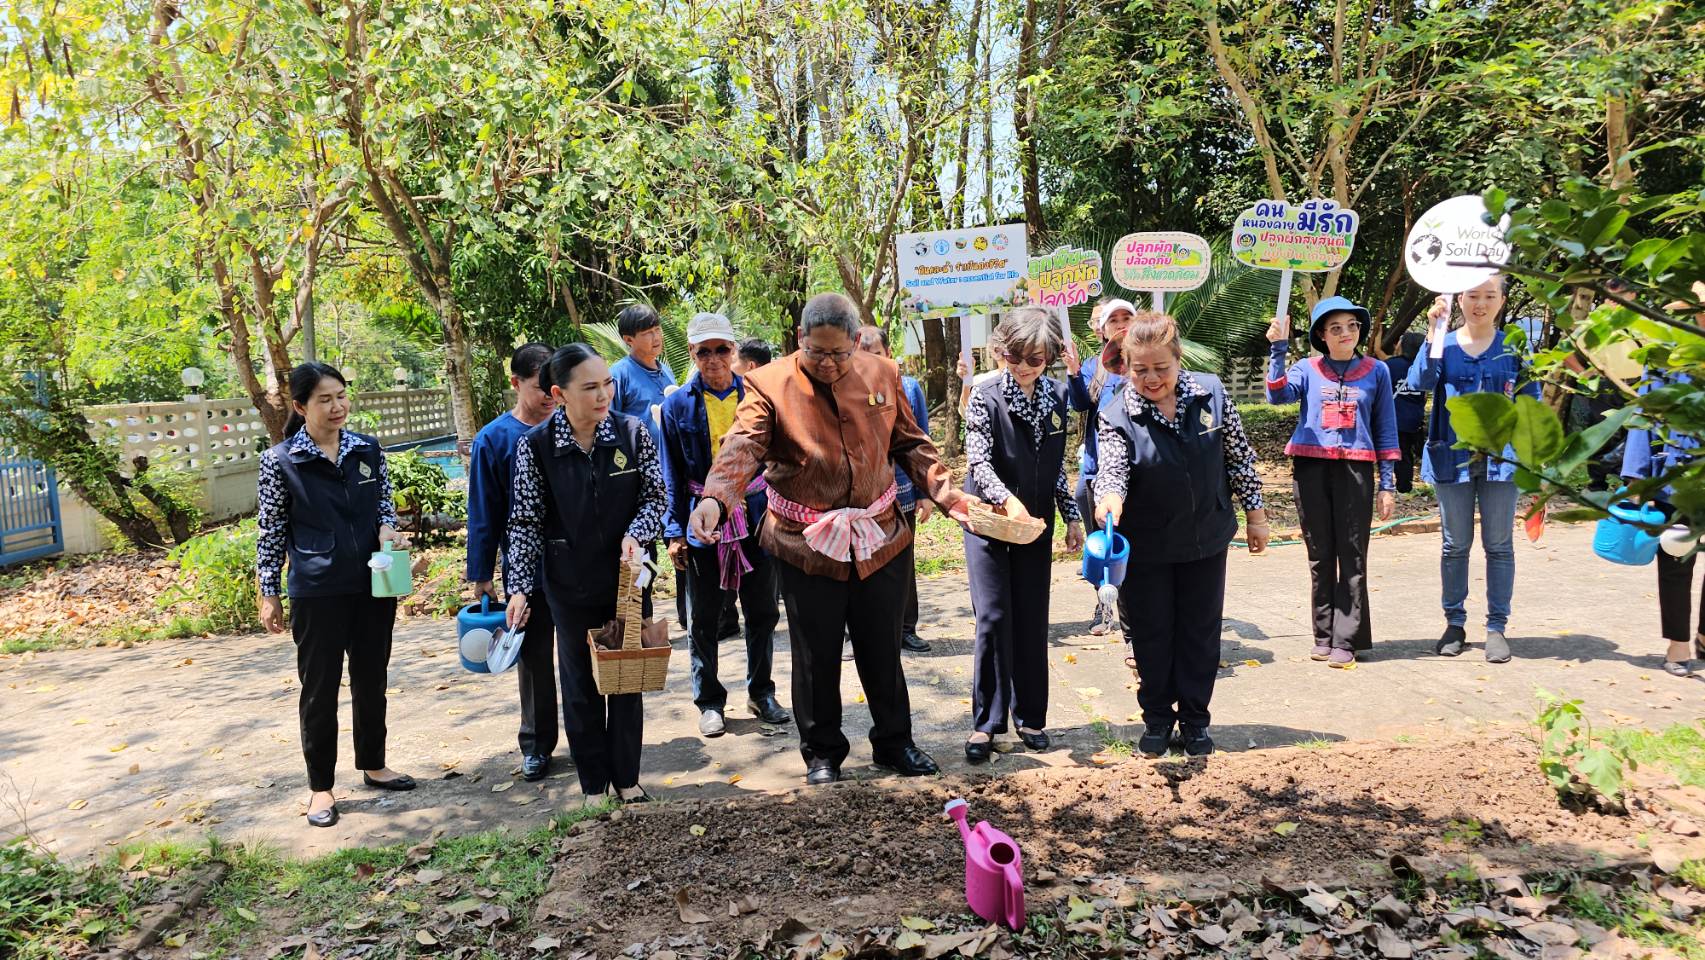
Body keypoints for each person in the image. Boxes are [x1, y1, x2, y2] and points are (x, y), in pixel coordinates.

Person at [689, 292, 976, 785]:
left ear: (857, 342)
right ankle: (822, 752)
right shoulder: (767, 384)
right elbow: (742, 445)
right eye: (815, 351)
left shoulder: (882, 375)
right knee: (815, 652)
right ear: (800, 339)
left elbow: (911, 444)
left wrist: (951, 497)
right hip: (806, 544)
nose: (826, 363)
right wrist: (717, 497)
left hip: (878, 537)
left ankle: (894, 743)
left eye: (838, 354)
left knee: (882, 647)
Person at [1092, 312, 1269, 758]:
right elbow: (1111, 469)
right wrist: (1109, 499)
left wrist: (1256, 514)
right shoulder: (1117, 413)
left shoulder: (1210, 393)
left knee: (1199, 632)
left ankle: (1194, 721)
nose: (1151, 379)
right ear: (1127, 367)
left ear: (1178, 359)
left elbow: (1239, 457)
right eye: (1140, 370)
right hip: (1148, 545)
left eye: (1161, 368)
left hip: (1206, 537)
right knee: (1152, 635)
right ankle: (1156, 719)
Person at [504, 344, 667, 805]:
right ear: (559, 393)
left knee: (627, 678)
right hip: (569, 583)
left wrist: (637, 533)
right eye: (591, 387)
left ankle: (627, 778)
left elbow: (656, 498)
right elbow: (524, 522)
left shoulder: (633, 434)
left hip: (629, 580)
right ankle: (594, 784)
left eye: (608, 384)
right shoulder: (534, 447)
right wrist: (518, 587)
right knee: (581, 684)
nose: (604, 396)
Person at [257, 362, 415, 828]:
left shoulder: (366, 449)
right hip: (317, 590)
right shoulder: (282, 461)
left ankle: (373, 764)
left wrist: (389, 531)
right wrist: (269, 591)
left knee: (372, 678)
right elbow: (270, 532)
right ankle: (321, 788)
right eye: (325, 399)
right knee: (320, 689)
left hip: (374, 583)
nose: (338, 406)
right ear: (301, 406)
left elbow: (384, 505)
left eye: (342, 396)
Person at [962, 308, 1086, 763]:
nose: (1025, 366)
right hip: (991, 522)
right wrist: (1006, 500)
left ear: (1050, 356)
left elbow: (1055, 467)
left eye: (1035, 358)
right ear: (1001, 351)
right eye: (1016, 356)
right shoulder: (984, 394)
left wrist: (1071, 516)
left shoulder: (1056, 395)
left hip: (1034, 526)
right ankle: (987, 724)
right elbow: (979, 461)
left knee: (1032, 618)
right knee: (994, 617)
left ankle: (1030, 716)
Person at [663, 313, 791, 738]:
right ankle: (710, 701)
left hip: (755, 516)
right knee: (704, 618)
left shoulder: (756, 397)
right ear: (693, 355)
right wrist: (674, 532)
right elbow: (671, 474)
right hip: (703, 523)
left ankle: (762, 691)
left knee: (762, 610)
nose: (714, 359)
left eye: (722, 350)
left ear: (734, 352)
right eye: (704, 352)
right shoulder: (677, 405)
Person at [1408, 277, 1540, 663]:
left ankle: (1497, 626)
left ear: (1502, 300)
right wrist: (1434, 331)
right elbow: (1419, 381)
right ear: (1458, 299)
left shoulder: (1515, 346)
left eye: (1489, 296)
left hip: (1504, 461)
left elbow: (1531, 403)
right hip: (1452, 458)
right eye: (1472, 296)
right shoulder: (1444, 344)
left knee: (1499, 546)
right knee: (1454, 545)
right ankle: (1454, 622)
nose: (1480, 304)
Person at [1265, 297, 1399, 666]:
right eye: (1336, 328)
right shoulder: (1306, 369)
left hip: (1355, 472)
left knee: (1353, 556)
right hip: (1310, 468)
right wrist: (1278, 347)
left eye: (1352, 326)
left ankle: (1347, 639)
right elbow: (1277, 395)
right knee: (1319, 556)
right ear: (1322, 336)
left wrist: (1387, 484)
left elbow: (1386, 429)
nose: (1345, 334)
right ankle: (1322, 634)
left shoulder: (1377, 371)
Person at [464, 343, 564, 781]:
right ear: (515, 383)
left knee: (587, 652)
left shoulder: (574, 426)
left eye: (551, 384)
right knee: (534, 656)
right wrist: (481, 573)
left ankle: (590, 735)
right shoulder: (495, 439)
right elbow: (483, 510)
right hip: (527, 567)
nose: (546, 393)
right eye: (536, 384)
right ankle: (537, 745)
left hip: (578, 562)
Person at [855, 325, 933, 654]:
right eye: (862, 354)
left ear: (888, 354)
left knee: (903, 563)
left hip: (900, 494)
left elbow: (920, 441)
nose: (869, 361)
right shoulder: (846, 390)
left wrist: (925, 492)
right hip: (859, 500)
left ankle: (906, 628)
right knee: (861, 565)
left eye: (875, 353)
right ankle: (860, 632)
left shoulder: (909, 387)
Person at [1067, 297, 1135, 635]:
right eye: (1114, 320)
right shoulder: (1097, 366)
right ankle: (1105, 607)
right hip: (1095, 468)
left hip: (1134, 472)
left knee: (1129, 541)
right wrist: (1074, 372)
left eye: (1128, 317)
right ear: (1101, 329)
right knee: (1100, 543)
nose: (1121, 323)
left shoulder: (1145, 362)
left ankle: (1133, 613)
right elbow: (1080, 403)